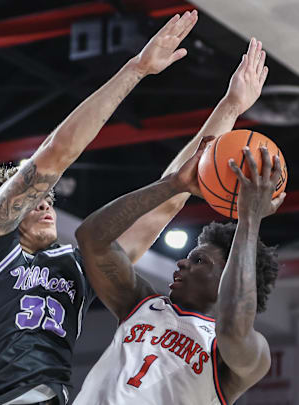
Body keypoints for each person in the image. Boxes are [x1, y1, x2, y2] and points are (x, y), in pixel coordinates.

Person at [0, 11, 201, 405]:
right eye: (34, 202)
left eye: (49, 202)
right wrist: (137, 69)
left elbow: (161, 209)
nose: (45, 206)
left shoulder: (76, 266)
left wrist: (229, 107)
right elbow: (56, 154)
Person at [73, 39, 284, 404]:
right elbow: (92, 238)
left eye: (200, 260)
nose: (182, 261)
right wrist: (171, 184)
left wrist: (250, 216)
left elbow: (235, 326)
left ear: (226, 275)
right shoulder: (140, 303)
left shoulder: (243, 353)